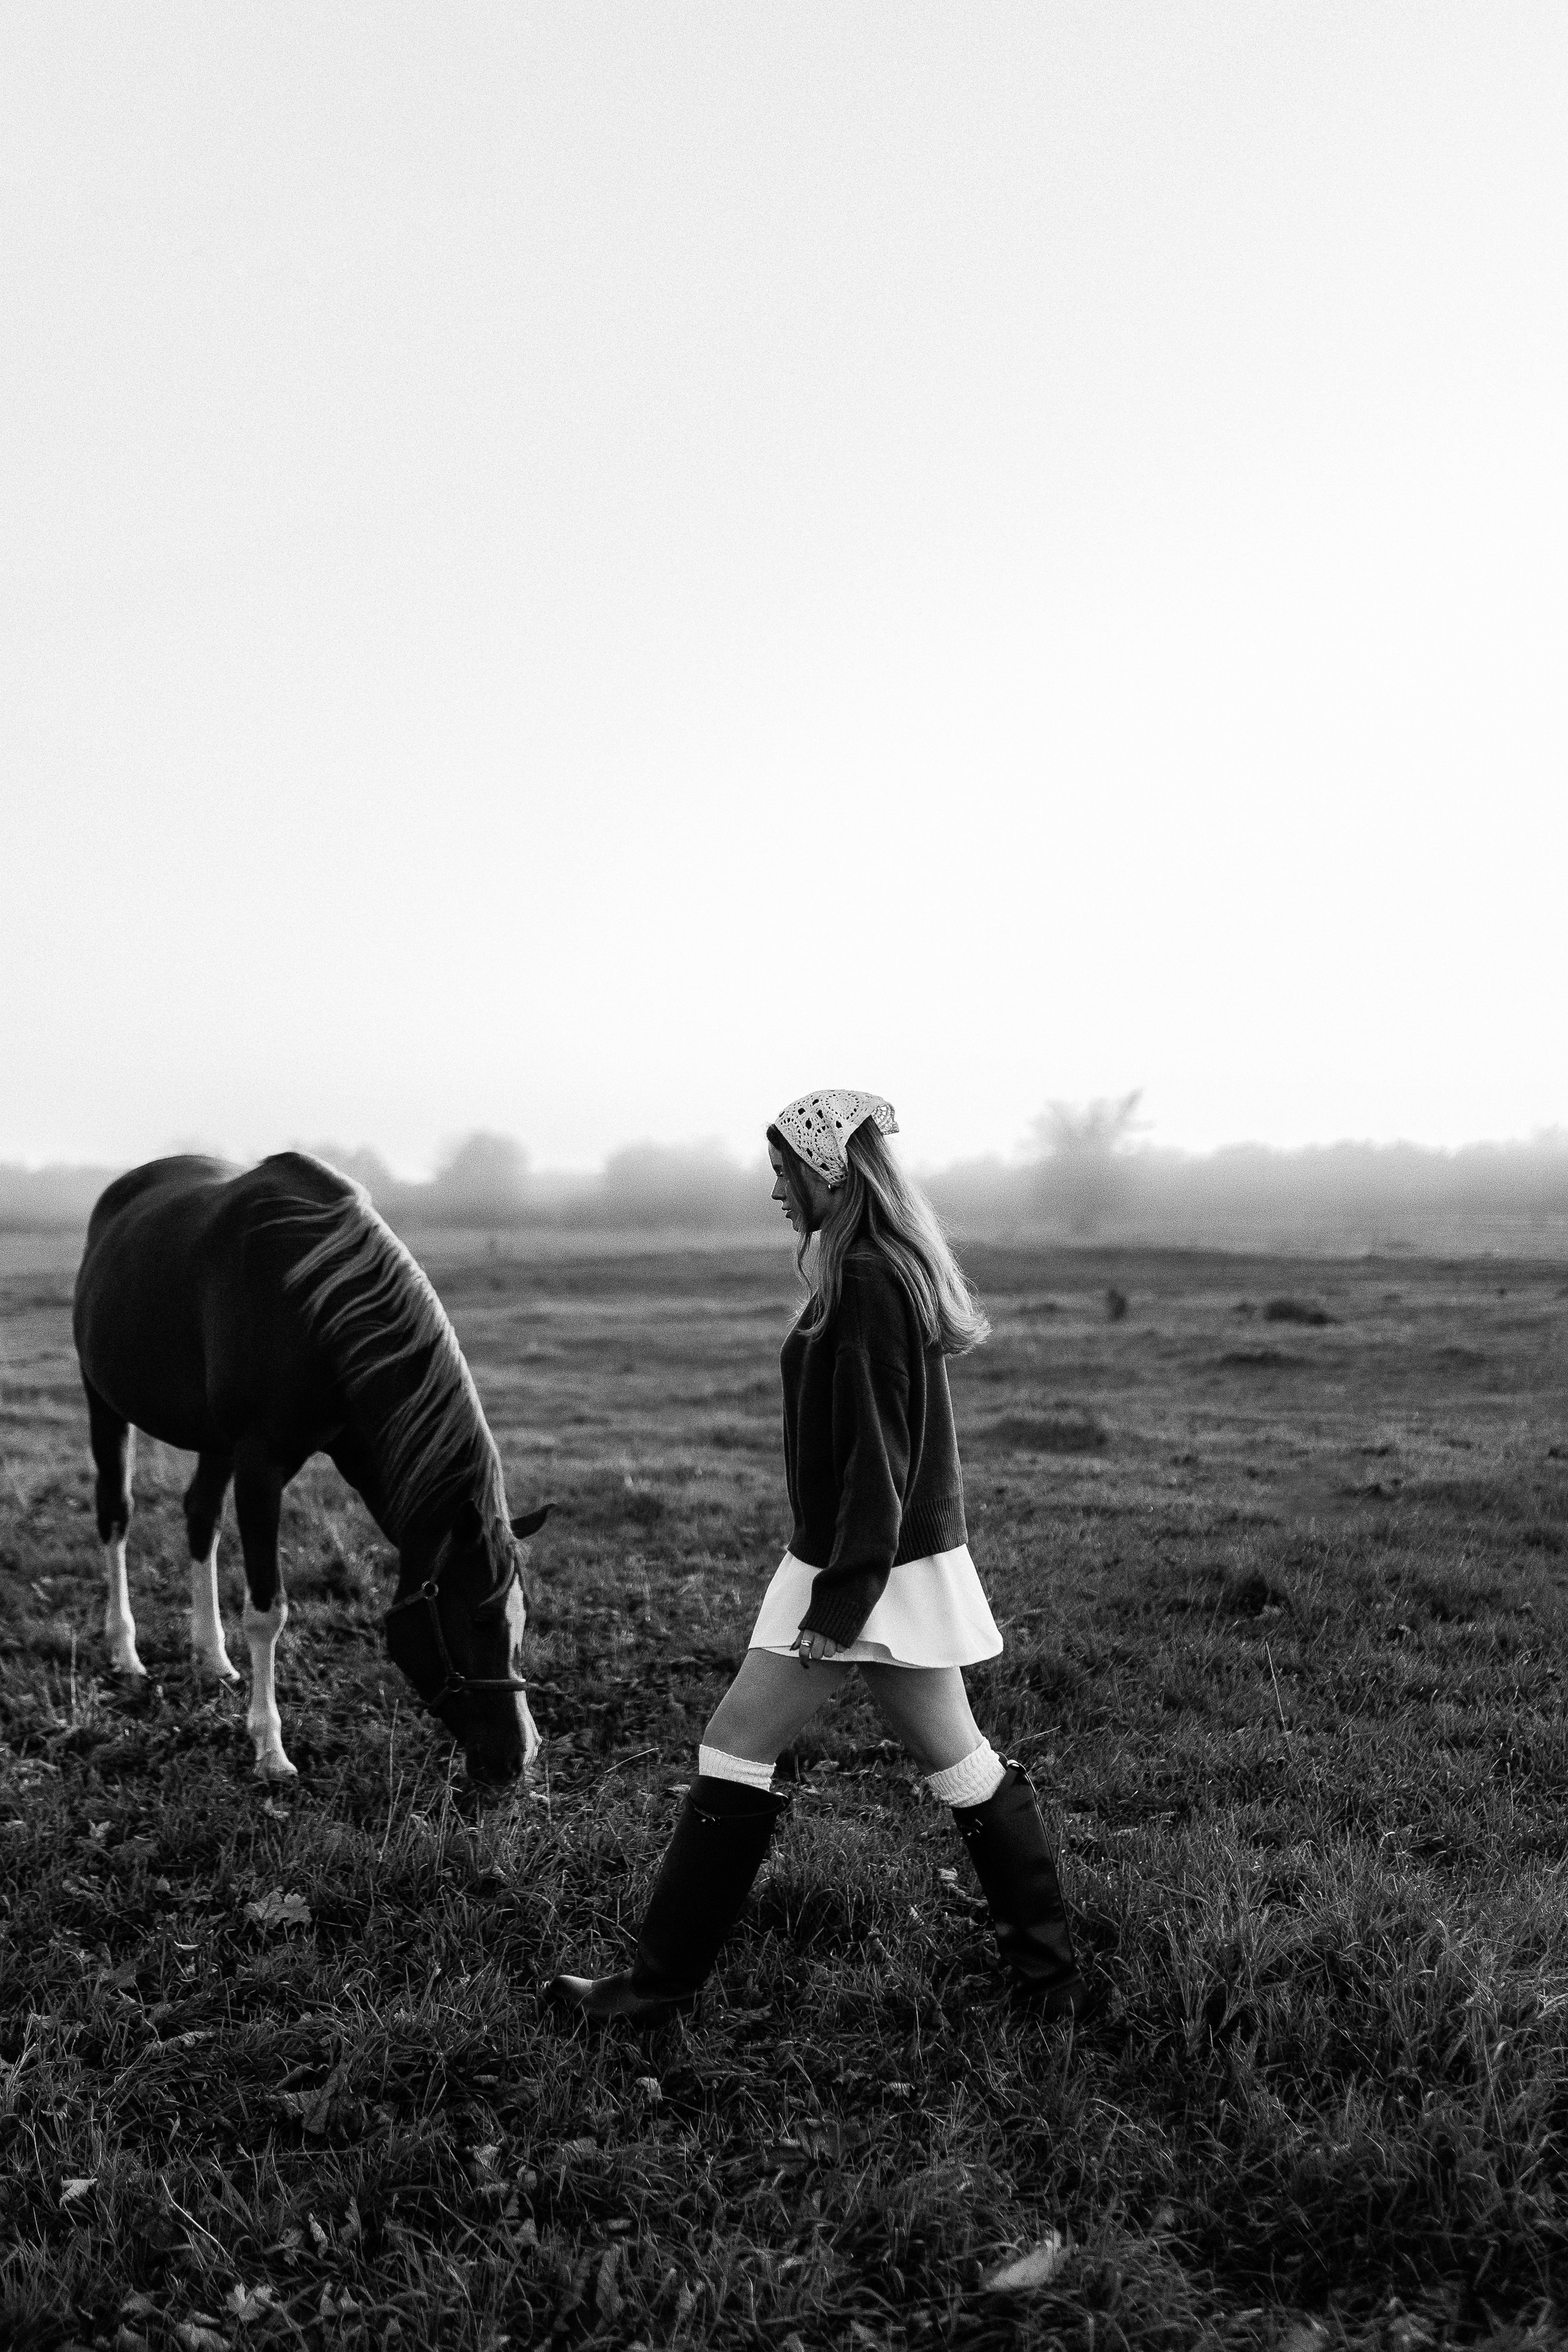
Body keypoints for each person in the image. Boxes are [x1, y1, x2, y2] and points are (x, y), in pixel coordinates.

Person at [546, 1089, 1087, 2025]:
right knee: (963, 1765)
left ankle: (656, 1990)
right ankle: (1052, 1986)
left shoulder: (870, 1279)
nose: (775, 1193)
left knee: (734, 1746)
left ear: (828, 1173)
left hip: (863, 1567)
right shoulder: (869, 1269)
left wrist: (839, 1604)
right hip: (878, 1562)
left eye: (783, 1173)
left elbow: (879, 1460)